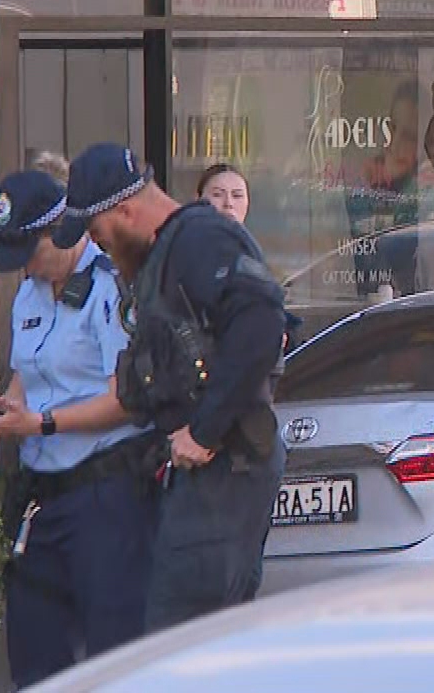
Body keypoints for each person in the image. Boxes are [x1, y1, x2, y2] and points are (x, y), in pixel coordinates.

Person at [54, 143, 287, 630]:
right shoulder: (169, 252)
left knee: (180, 639)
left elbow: (264, 324)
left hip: (224, 471)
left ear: (125, 211)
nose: (97, 244)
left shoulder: (201, 240)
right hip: (208, 473)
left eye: (97, 230)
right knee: (210, 640)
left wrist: (204, 431)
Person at [0, 170, 157, 687]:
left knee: (113, 659)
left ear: (61, 232)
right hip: (42, 499)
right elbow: (26, 380)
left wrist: (42, 424)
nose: (25, 266)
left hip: (105, 494)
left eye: (30, 251)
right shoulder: (29, 294)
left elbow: (127, 400)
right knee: (35, 654)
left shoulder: (111, 288)